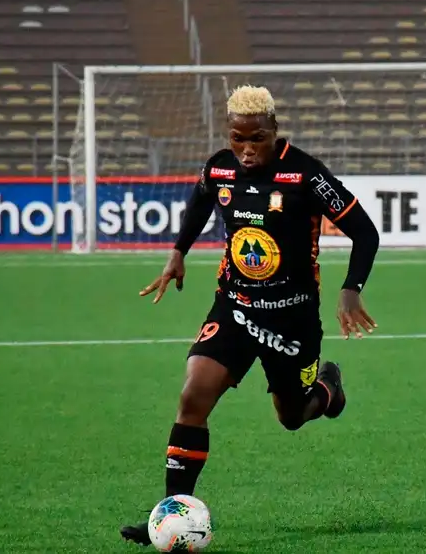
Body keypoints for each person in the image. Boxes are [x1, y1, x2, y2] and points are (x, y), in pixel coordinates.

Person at [120, 85, 381, 546]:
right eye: (237, 137)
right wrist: (177, 252)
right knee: (193, 396)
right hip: (235, 307)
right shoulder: (219, 167)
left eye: (255, 138)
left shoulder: (306, 175)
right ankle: (170, 512)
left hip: (293, 319)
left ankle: (327, 389)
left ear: (274, 131)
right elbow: (202, 201)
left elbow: (364, 231)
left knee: (292, 416)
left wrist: (349, 290)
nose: (245, 148)